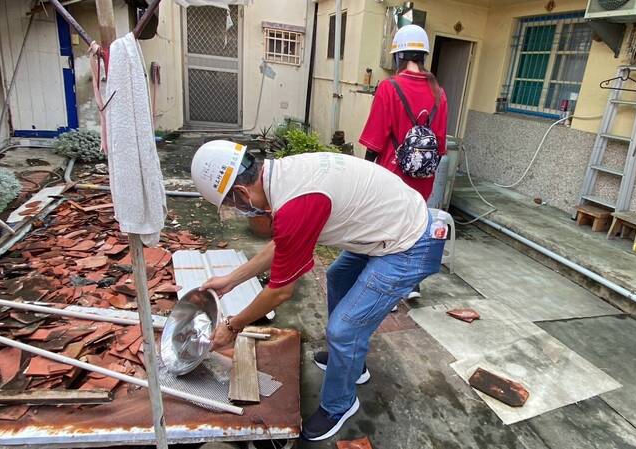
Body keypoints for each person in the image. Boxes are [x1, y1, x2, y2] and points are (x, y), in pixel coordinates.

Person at [192, 142, 447, 441]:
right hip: (389, 225)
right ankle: (352, 363)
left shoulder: (296, 203)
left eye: (233, 205)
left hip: (411, 244)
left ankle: (339, 404)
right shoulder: (283, 176)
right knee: (338, 276)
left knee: (343, 331)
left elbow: (279, 292)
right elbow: (283, 244)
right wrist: (232, 279)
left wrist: (232, 327)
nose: (239, 211)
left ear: (242, 193)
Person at [359, 24, 448, 300]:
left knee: (385, 236)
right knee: (413, 230)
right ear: (424, 56)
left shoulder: (389, 87)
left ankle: (385, 293)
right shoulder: (439, 94)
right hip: (423, 180)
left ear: (398, 56)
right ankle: (411, 285)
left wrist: (365, 177)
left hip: (392, 176)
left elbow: (374, 139)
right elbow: (441, 145)